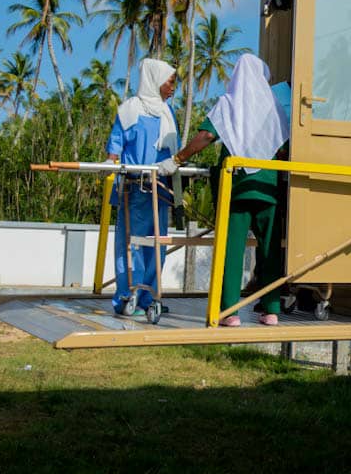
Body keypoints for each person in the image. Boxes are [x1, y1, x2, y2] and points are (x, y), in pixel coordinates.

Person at [160, 54, 289, 326]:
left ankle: (229, 313)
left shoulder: (229, 104)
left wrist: (177, 159)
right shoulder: (274, 107)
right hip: (267, 186)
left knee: (231, 248)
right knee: (270, 249)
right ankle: (271, 309)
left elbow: (206, 136)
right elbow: (284, 144)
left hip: (237, 186)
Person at [106, 58, 179, 315]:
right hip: (134, 189)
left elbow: (173, 151)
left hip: (160, 188)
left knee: (157, 244)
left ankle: (150, 297)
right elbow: (115, 147)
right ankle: (128, 295)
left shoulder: (167, 113)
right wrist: (109, 164)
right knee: (131, 244)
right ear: (155, 79)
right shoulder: (130, 110)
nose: (173, 87)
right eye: (170, 81)